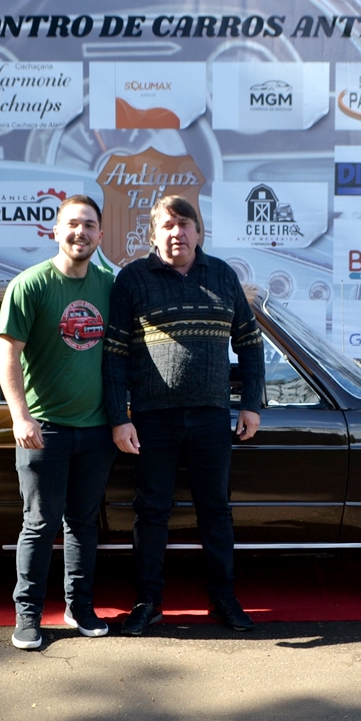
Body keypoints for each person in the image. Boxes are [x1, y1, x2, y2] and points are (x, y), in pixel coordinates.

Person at [102, 195, 265, 635]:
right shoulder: (133, 279)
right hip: (152, 419)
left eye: (185, 224)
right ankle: (147, 602)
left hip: (212, 416)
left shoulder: (223, 275)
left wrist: (251, 404)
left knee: (216, 510)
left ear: (198, 231)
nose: (177, 233)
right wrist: (118, 417)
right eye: (167, 225)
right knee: (151, 512)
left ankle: (223, 598)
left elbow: (250, 345)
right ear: (153, 234)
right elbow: (113, 354)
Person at [0, 195, 117, 650]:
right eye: (72, 224)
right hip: (44, 429)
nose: (80, 232)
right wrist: (20, 416)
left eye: (88, 225)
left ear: (100, 234)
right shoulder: (30, 285)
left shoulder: (111, 285)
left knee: (83, 523)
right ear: (55, 231)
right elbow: (7, 352)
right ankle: (27, 616)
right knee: (39, 524)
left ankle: (78, 607)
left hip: (98, 430)